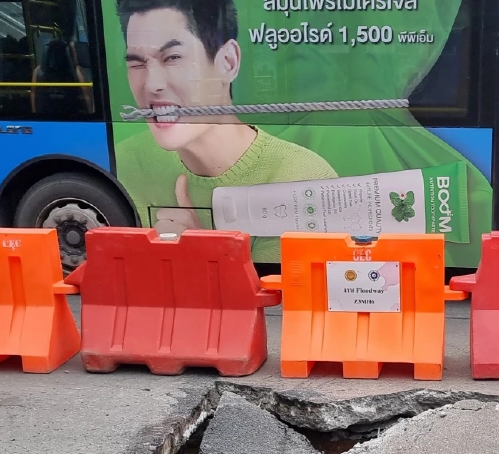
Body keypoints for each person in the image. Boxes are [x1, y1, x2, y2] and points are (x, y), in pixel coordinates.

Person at [113, 0, 335, 260]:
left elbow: (291, 298)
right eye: (137, 64)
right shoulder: (122, 164)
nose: (152, 85)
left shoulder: (304, 180)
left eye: (172, 58)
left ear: (228, 62)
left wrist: (205, 255)